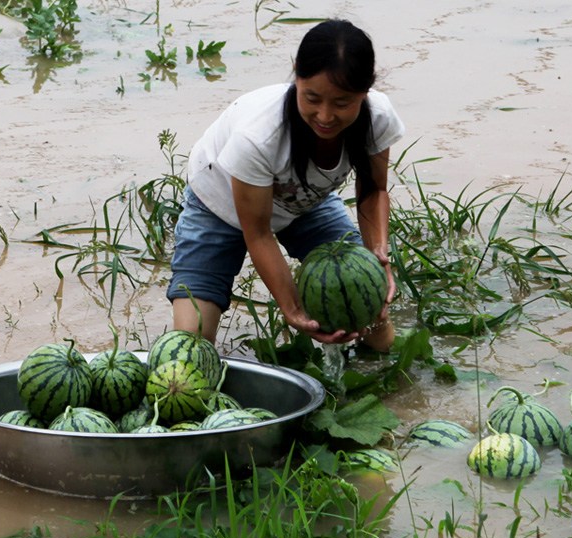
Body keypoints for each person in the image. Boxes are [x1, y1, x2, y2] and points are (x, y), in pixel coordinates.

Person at [166, 19, 405, 352]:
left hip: (303, 201)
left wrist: (377, 256)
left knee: (372, 314)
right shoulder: (259, 136)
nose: (325, 116)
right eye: (312, 98)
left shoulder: (377, 118)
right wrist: (293, 309)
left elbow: (373, 190)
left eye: (342, 103)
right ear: (296, 75)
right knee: (191, 344)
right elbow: (258, 233)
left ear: (365, 92)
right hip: (218, 205)